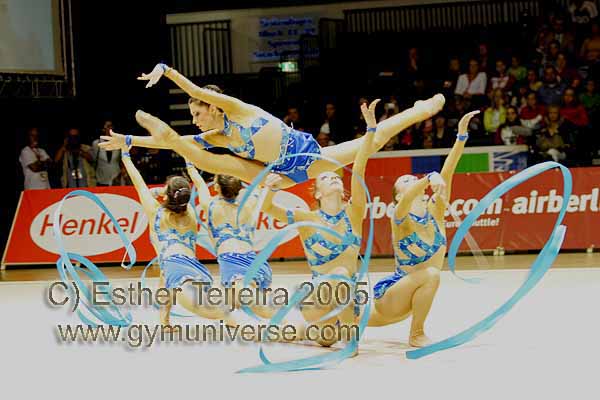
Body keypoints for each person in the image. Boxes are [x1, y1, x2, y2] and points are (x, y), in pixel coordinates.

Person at [101, 63, 444, 188]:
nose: (195, 118)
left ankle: (417, 111)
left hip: (304, 156)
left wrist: (167, 71)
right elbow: (176, 142)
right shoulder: (218, 135)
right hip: (277, 173)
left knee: (373, 143)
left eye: (198, 113)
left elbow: (197, 91)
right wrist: (130, 140)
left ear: (213, 106)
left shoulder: (236, 110)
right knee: (193, 150)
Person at [261, 100, 380, 347]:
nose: (334, 178)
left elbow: (359, 167)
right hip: (318, 299)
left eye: (336, 177)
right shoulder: (307, 219)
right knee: (339, 275)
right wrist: (270, 189)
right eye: (325, 178)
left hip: (349, 300)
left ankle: (301, 330)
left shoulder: (353, 213)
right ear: (317, 192)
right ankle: (347, 340)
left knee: (322, 339)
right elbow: (268, 209)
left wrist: (370, 131)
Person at [367, 111, 479, 347]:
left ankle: (312, 328)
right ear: (398, 196)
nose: (411, 181)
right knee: (432, 274)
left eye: (412, 178)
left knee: (342, 324)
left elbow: (447, 172)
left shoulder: (435, 213)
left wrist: (461, 137)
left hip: (412, 302)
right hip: (392, 298)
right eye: (405, 181)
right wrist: (428, 178)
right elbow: (410, 196)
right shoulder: (399, 216)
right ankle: (416, 334)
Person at [117, 142, 234, 329]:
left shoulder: (156, 213)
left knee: (208, 310)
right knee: (165, 281)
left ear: (166, 195)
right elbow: (180, 194)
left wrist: (125, 155)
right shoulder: (191, 213)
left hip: (175, 266)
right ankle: (165, 322)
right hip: (193, 266)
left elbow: (139, 184)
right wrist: (189, 162)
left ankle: (232, 319)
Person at [183, 166, 276, 319]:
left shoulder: (211, 206)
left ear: (217, 187)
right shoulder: (249, 204)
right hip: (256, 262)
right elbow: (257, 185)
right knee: (230, 303)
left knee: (260, 309)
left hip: (234, 265)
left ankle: (287, 322)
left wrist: (189, 163)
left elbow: (198, 182)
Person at [92, 120, 122, 186]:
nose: (111, 128)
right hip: (101, 180)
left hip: (116, 180)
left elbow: (122, 160)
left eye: (111, 126)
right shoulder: (96, 144)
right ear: (103, 129)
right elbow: (93, 160)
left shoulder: (118, 142)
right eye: (108, 126)